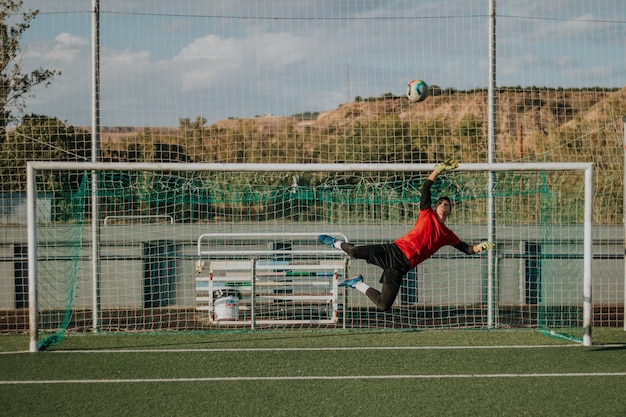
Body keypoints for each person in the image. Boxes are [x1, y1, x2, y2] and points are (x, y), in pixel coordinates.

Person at [317, 159, 494, 312]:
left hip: (400, 267)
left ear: (450, 210)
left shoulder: (448, 235)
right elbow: (426, 189)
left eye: (446, 204)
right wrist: (437, 170)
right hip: (393, 251)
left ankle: (356, 283)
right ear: (434, 207)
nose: (442, 204)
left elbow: (467, 249)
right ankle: (334, 243)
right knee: (354, 252)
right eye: (440, 202)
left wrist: (480, 247)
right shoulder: (427, 214)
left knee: (383, 305)